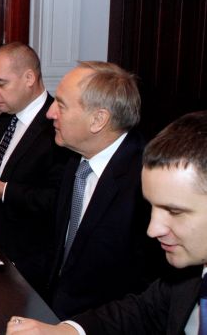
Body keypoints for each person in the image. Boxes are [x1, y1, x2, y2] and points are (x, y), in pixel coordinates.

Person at [6, 110, 207, 335]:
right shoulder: (188, 278)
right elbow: (142, 312)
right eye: (153, 207)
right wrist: (67, 332)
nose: (152, 230)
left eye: (174, 211)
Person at [42, 61, 164, 318]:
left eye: (61, 105)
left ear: (98, 120)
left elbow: (148, 290)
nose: (50, 113)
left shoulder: (146, 181)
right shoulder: (76, 159)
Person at [0, 42, 70, 292]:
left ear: (29, 78)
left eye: (1, 83)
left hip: (25, 263)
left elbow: (58, 199)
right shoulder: (7, 119)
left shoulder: (57, 128)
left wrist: (4, 191)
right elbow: (3, 170)